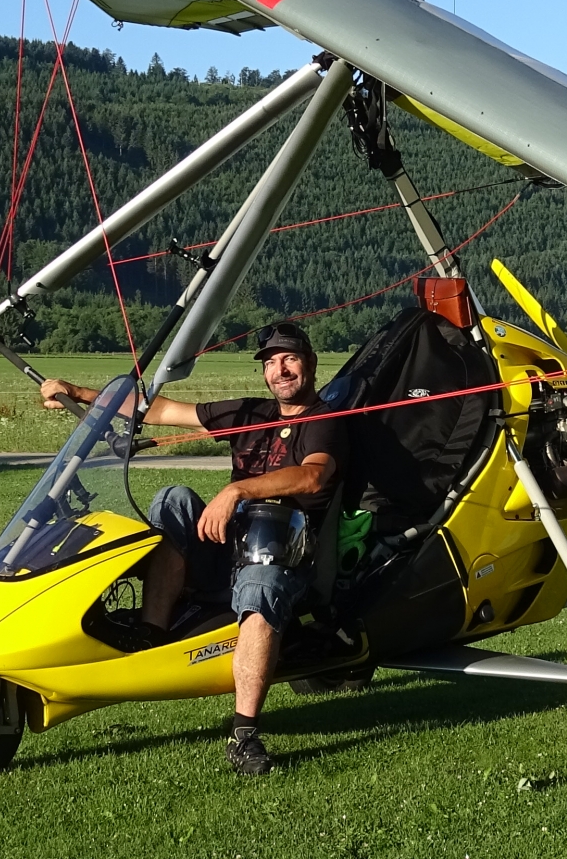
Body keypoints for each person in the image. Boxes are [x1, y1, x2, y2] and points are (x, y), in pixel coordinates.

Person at [39, 321, 346, 776]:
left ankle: (244, 735)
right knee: (174, 499)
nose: (281, 370)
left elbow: (312, 475)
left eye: (290, 360)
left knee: (260, 589)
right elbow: (159, 410)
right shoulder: (250, 412)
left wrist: (238, 491)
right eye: (271, 363)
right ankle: (153, 632)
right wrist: (80, 393)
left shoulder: (326, 421)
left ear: (310, 364)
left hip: (284, 555)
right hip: (227, 550)